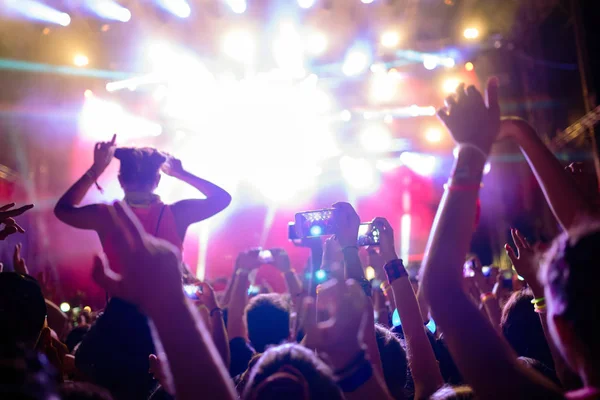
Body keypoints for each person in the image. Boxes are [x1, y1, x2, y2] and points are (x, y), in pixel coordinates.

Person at [54, 135, 231, 274]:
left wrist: (96, 169)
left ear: (120, 180)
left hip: (122, 316)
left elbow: (63, 210)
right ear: (158, 180)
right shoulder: (177, 214)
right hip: (166, 316)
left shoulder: (105, 215)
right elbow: (222, 198)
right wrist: (181, 173)